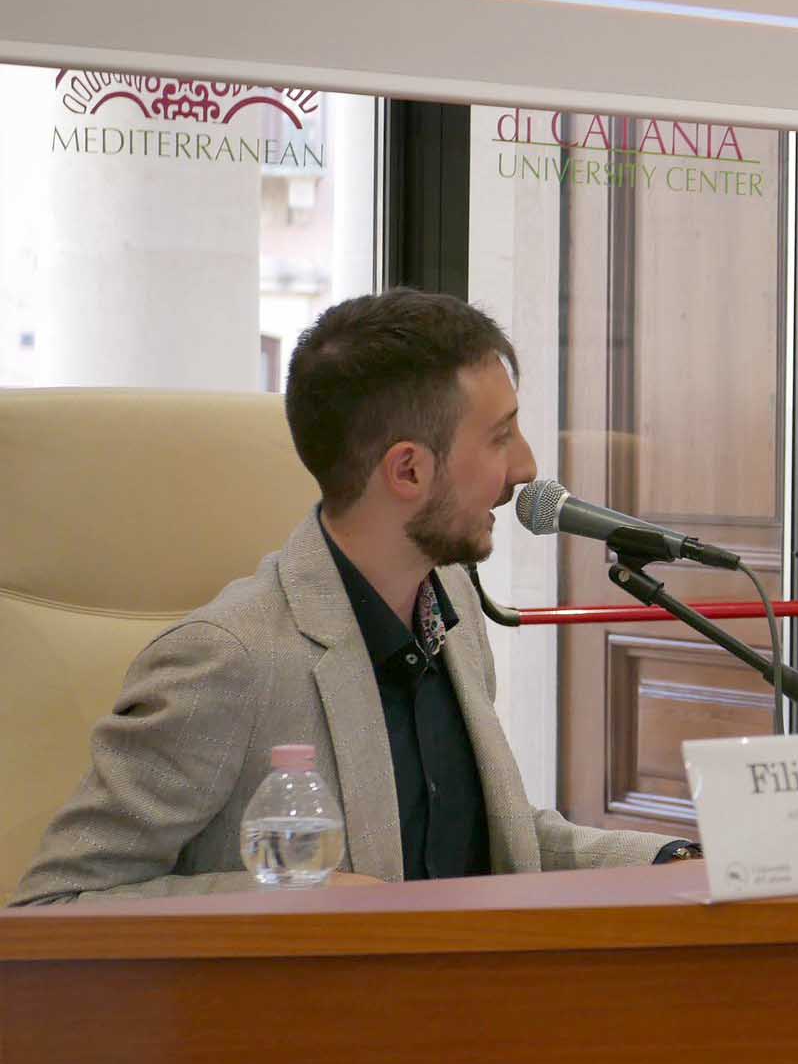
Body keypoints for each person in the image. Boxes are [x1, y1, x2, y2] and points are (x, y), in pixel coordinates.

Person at [13, 290, 686, 904]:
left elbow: (498, 841)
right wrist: (295, 899)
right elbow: (54, 907)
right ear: (409, 470)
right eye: (500, 437)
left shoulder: (450, 602)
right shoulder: (228, 660)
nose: (526, 468)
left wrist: (674, 858)